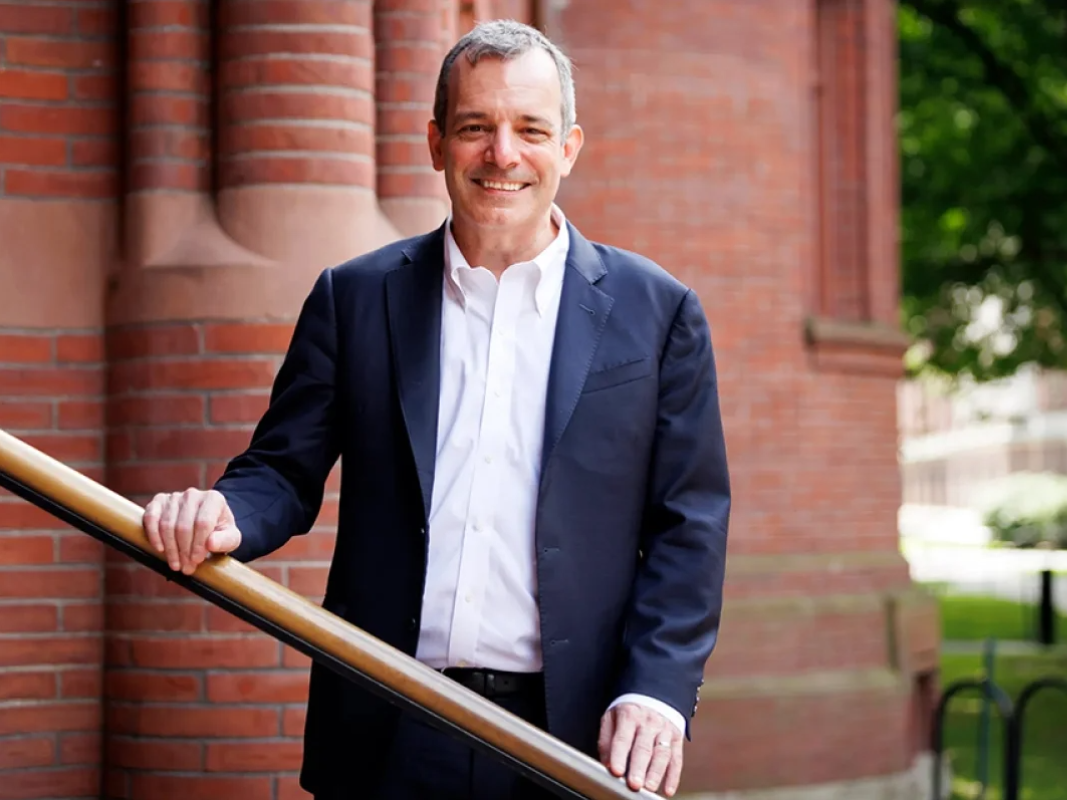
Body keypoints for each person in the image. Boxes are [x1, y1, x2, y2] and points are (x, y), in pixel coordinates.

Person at [141, 19, 730, 800]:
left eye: (530, 129)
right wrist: (225, 512)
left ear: (569, 148)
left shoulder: (657, 313)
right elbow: (281, 471)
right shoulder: (353, 298)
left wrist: (657, 688)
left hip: (571, 736)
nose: (503, 154)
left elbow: (690, 524)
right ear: (434, 142)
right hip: (388, 719)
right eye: (475, 128)